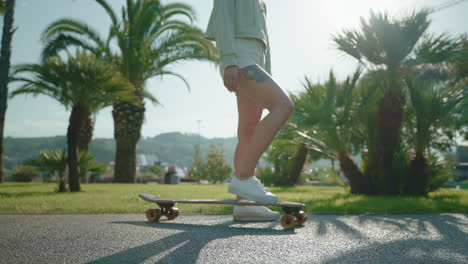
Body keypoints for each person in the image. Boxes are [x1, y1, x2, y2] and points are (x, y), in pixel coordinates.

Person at [205, 0, 295, 221]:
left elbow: (265, 43)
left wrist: (267, 75)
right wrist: (229, 61)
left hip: (256, 61)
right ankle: (243, 177)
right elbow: (223, 20)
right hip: (240, 57)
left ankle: (244, 205)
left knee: (248, 130)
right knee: (284, 106)